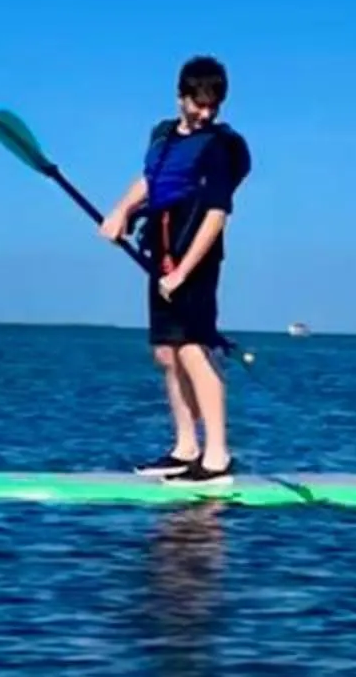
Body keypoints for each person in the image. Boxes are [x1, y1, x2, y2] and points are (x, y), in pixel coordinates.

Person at [98, 55, 252, 483]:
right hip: (160, 247)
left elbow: (218, 213)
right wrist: (120, 212)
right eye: (198, 104)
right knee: (166, 352)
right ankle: (186, 449)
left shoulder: (219, 147)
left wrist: (183, 271)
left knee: (193, 348)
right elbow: (150, 181)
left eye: (214, 106)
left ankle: (217, 456)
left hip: (194, 252)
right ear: (180, 96)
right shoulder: (162, 135)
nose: (205, 114)